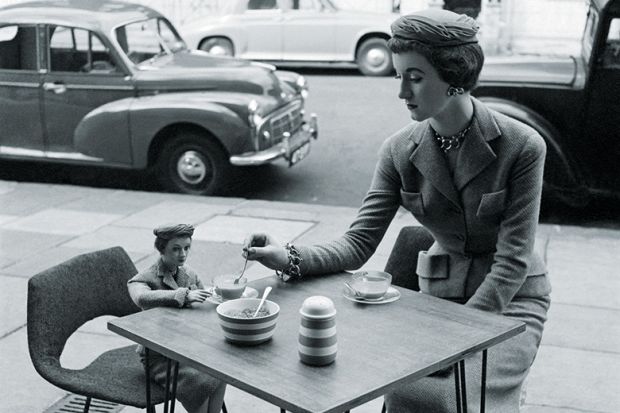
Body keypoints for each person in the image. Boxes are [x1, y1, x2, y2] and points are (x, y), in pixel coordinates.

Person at [243, 8, 551, 413]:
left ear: (455, 77)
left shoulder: (523, 146)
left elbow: (511, 263)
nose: (402, 92)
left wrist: (458, 337)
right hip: (436, 297)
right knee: (393, 385)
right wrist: (290, 256)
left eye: (416, 78)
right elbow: (358, 242)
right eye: (398, 76)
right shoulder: (398, 149)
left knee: (438, 395)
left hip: (510, 304)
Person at [127, 224, 226, 413]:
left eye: (187, 248)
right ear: (161, 248)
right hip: (159, 356)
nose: (183, 254)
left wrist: (214, 297)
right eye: (176, 248)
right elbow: (141, 297)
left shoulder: (189, 273)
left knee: (221, 373)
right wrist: (183, 295)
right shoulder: (143, 279)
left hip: (188, 348)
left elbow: (203, 302)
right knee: (199, 380)